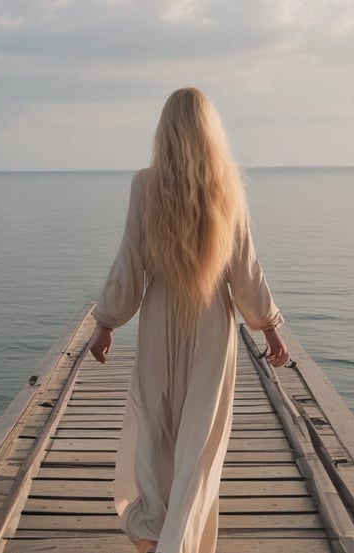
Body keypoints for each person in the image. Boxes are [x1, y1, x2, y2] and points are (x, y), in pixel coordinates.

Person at [89, 87, 287, 553]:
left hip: (158, 319)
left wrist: (105, 322)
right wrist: (270, 327)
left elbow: (129, 263)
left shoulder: (145, 184)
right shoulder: (227, 190)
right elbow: (246, 270)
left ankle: (158, 535)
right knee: (200, 440)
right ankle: (181, 541)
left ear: (165, 131)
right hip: (212, 326)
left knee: (156, 431)